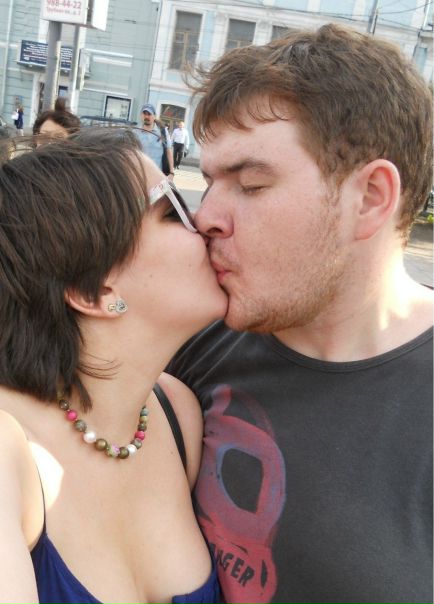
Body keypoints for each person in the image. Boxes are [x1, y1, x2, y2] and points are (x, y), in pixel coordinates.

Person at [167, 24, 433, 604]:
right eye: (209, 181)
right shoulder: (190, 345)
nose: (206, 216)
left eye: (251, 184)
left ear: (370, 198)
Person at [0, 128, 226, 603]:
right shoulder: (9, 449)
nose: (204, 220)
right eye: (172, 209)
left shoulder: (178, 414)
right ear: (95, 293)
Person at [134, 103, 174, 179]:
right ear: (141, 115)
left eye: (149, 114)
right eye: (144, 114)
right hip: (140, 175)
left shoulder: (163, 132)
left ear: (154, 116)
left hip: (157, 176)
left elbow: (169, 151)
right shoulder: (135, 132)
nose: (146, 116)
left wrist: (171, 172)